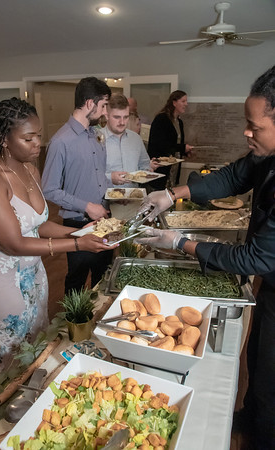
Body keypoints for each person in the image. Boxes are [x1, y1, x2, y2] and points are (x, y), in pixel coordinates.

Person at [136, 65, 275, 450]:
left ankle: (264, 435)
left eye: (255, 126)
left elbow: (255, 258)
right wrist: (173, 193)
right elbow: (230, 177)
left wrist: (180, 242)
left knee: (271, 377)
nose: (247, 132)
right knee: (258, 362)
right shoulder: (266, 153)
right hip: (271, 287)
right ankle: (251, 418)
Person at [0, 98, 113, 388]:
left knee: (35, 347)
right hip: (0, 279)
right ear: (2, 139)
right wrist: (78, 246)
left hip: (34, 274)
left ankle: (30, 403)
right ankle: (3, 415)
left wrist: (81, 232)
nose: (37, 144)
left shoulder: (29, 168)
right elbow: (14, 243)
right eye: (28, 138)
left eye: (39, 136)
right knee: (9, 359)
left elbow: (38, 225)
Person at [42, 77, 114, 294]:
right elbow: (48, 188)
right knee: (77, 279)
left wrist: (116, 188)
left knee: (104, 275)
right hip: (76, 222)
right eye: (103, 106)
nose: (104, 113)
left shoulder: (96, 136)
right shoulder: (60, 141)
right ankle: (72, 325)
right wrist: (87, 206)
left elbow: (98, 176)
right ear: (90, 104)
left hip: (105, 219)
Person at [100, 94, 159, 189]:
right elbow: (88, 175)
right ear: (107, 116)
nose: (122, 122)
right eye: (117, 117)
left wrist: (147, 171)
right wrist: (110, 177)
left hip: (133, 198)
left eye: (126, 117)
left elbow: (144, 165)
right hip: (104, 200)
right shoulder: (96, 140)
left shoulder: (136, 139)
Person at [147, 90, 194, 190]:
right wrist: (182, 147)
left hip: (174, 168)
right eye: (183, 101)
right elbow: (160, 144)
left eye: (186, 101)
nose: (186, 104)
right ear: (174, 103)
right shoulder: (161, 119)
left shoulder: (179, 122)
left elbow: (175, 144)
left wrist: (185, 151)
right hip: (160, 168)